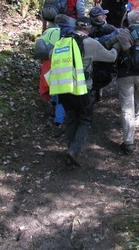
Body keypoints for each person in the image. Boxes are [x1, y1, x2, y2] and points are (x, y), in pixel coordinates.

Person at [51, 16, 119, 165]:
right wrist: (117, 46)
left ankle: (70, 148)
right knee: (84, 120)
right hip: (82, 88)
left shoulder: (62, 42)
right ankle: (74, 150)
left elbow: (51, 57)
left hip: (62, 87)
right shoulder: (91, 44)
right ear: (88, 29)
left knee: (70, 118)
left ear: (75, 27)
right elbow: (111, 57)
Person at [104, 10, 139, 155]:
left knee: (126, 107)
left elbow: (107, 44)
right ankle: (137, 122)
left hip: (126, 74)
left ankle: (129, 141)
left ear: (128, 21)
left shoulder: (124, 33)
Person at [34, 14, 76, 134]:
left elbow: (39, 47)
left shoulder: (49, 31)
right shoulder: (68, 32)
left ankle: (52, 104)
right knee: (62, 93)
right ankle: (59, 121)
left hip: (48, 64)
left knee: (52, 87)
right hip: (61, 64)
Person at [88, 6, 118, 102]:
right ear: (99, 18)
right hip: (106, 58)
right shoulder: (110, 29)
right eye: (103, 15)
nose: (105, 16)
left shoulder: (87, 29)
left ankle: (94, 92)